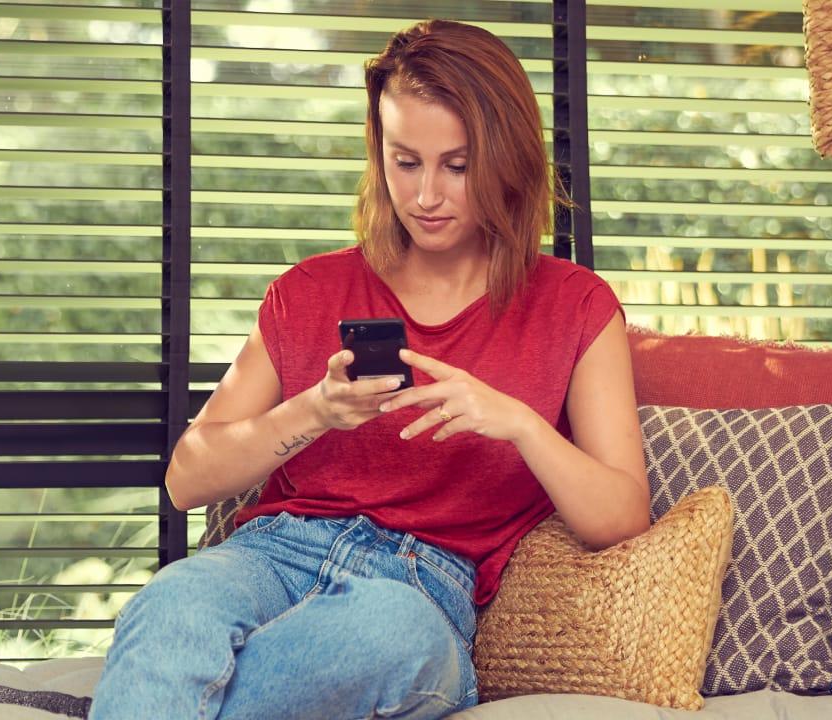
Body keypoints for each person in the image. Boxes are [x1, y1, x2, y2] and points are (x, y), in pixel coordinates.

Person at [88, 19, 651, 720]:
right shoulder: (309, 291)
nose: (426, 196)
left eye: (458, 164)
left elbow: (623, 517)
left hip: (421, 593)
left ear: (506, 159)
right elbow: (185, 479)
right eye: (405, 161)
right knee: (173, 602)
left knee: (381, 635)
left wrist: (520, 424)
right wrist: (314, 411)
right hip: (273, 556)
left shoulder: (575, 306)